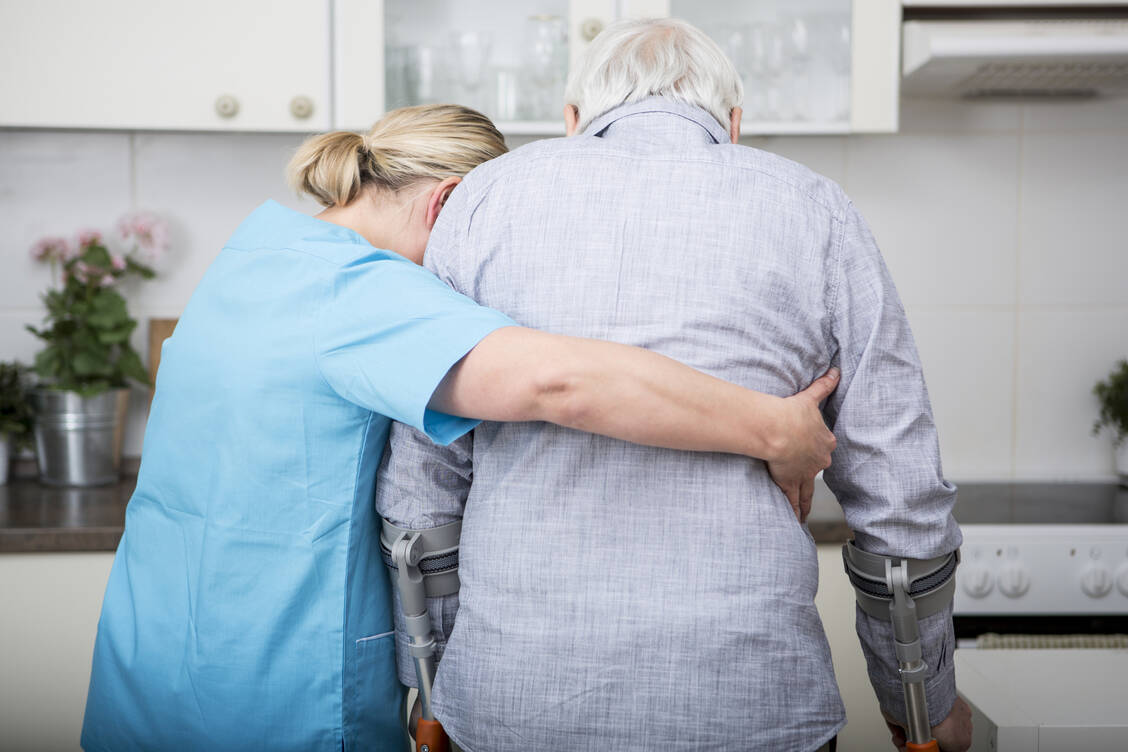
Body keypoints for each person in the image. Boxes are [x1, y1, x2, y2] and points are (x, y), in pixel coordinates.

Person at [79, 104, 839, 752]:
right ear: (446, 208)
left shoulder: (260, 254)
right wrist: (775, 428)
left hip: (152, 669)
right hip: (271, 690)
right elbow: (560, 381)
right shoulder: (361, 294)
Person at [375, 19, 973, 752]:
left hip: (512, 700)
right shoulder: (815, 208)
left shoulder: (484, 202)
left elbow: (422, 485)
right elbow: (901, 497)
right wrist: (921, 704)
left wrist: (429, 685)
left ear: (572, 123)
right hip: (750, 700)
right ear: (733, 125)